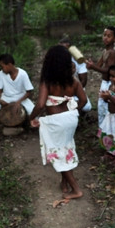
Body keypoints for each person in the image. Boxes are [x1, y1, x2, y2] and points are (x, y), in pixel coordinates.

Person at [29, 45, 87, 199]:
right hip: (71, 119)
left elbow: (41, 105)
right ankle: (64, 183)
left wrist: (31, 117)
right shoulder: (73, 81)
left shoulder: (48, 82)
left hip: (56, 122)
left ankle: (76, 189)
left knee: (58, 154)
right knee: (65, 149)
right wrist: (73, 112)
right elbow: (84, 100)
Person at [0, 54, 35, 132]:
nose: (2, 69)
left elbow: (29, 92)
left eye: (2, 66)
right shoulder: (1, 74)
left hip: (21, 97)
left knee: (33, 112)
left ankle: (28, 125)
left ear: (10, 65)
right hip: (6, 97)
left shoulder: (22, 74)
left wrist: (18, 102)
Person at [86, 26, 115, 128]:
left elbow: (108, 70)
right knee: (101, 107)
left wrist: (93, 67)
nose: (105, 38)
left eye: (109, 36)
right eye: (104, 35)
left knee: (107, 108)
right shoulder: (105, 51)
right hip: (105, 83)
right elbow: (99, 65)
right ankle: (103, 131)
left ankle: (108, 132)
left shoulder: (113, 52)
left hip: (110, 83)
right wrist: (91, 65)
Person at [59, 37, 92, 113]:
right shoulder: (57, 60)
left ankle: (77, 113)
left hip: (76, 90)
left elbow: (83, 81)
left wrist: (72, 92)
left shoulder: (79, 61)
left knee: (86, 107)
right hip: (60, 90)